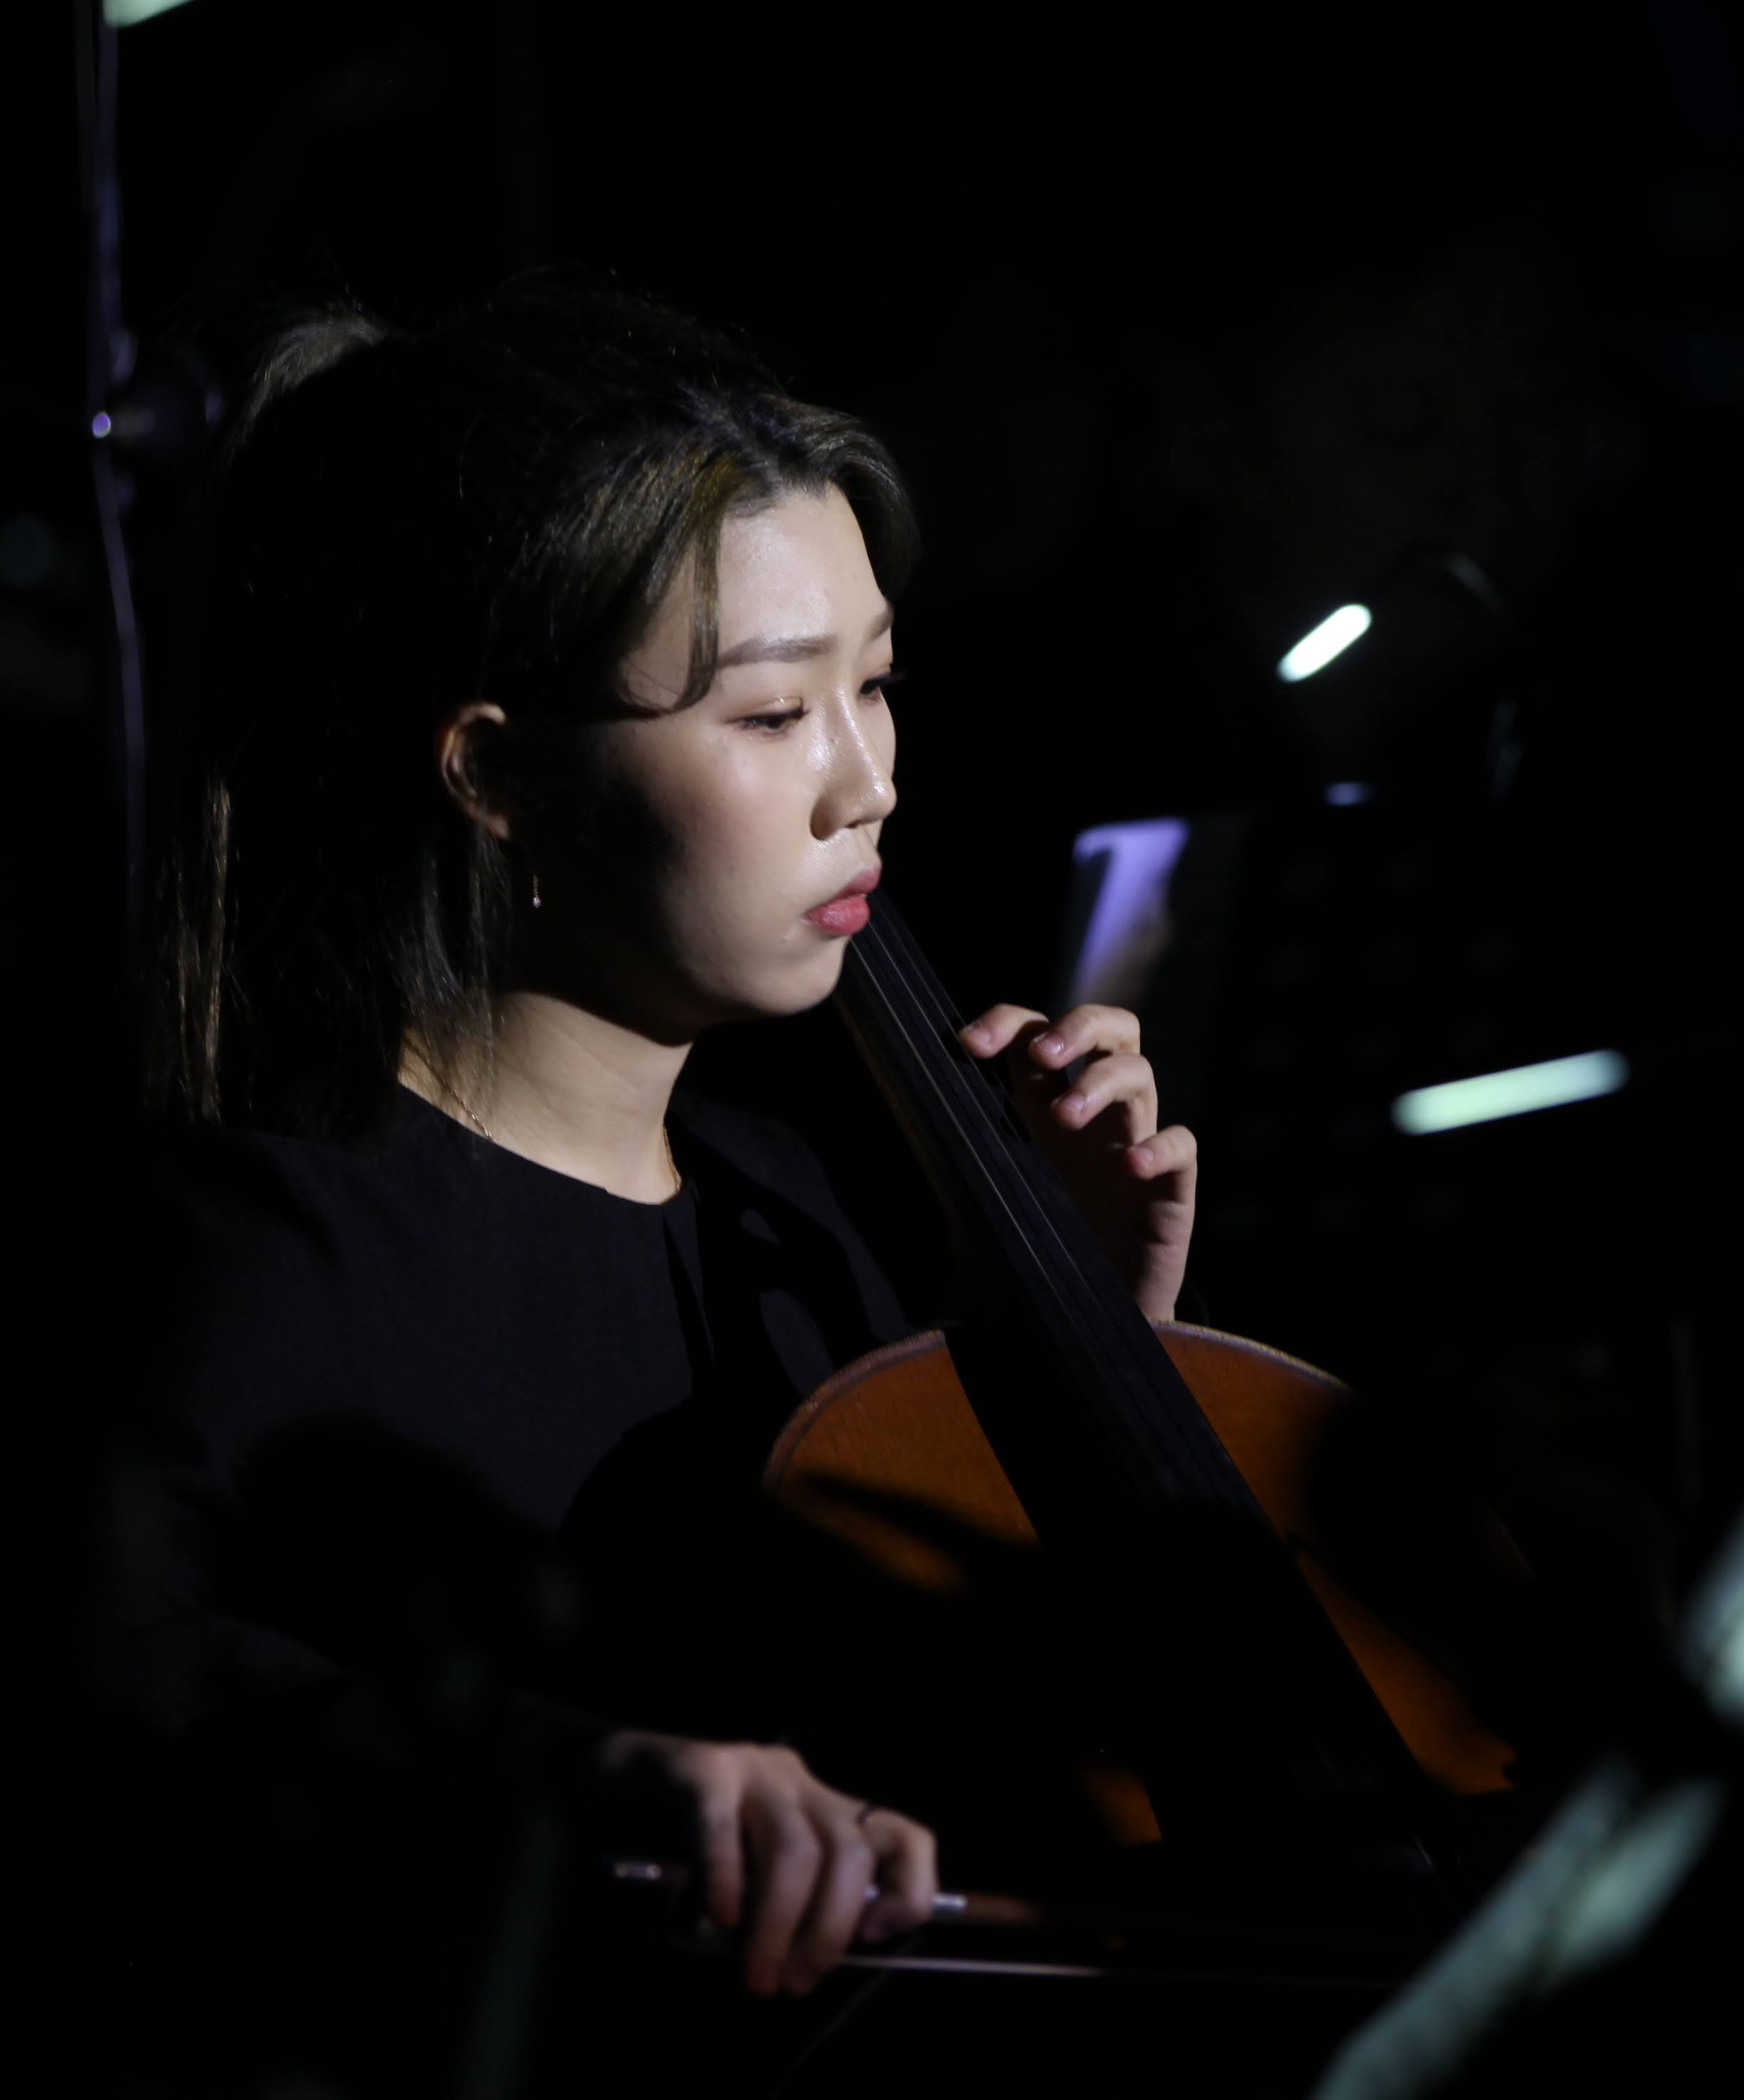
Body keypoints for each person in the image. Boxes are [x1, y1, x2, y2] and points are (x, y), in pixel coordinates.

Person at [109, 276, 1206, 2081]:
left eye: (875, 684)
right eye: (772, 717)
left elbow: (966, 1738)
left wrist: (1074, 1353)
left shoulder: (801, 1214)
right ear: (495, 774)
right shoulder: (265, 1246)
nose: (866, 784)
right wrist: (582, 1774)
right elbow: (117, 1708)